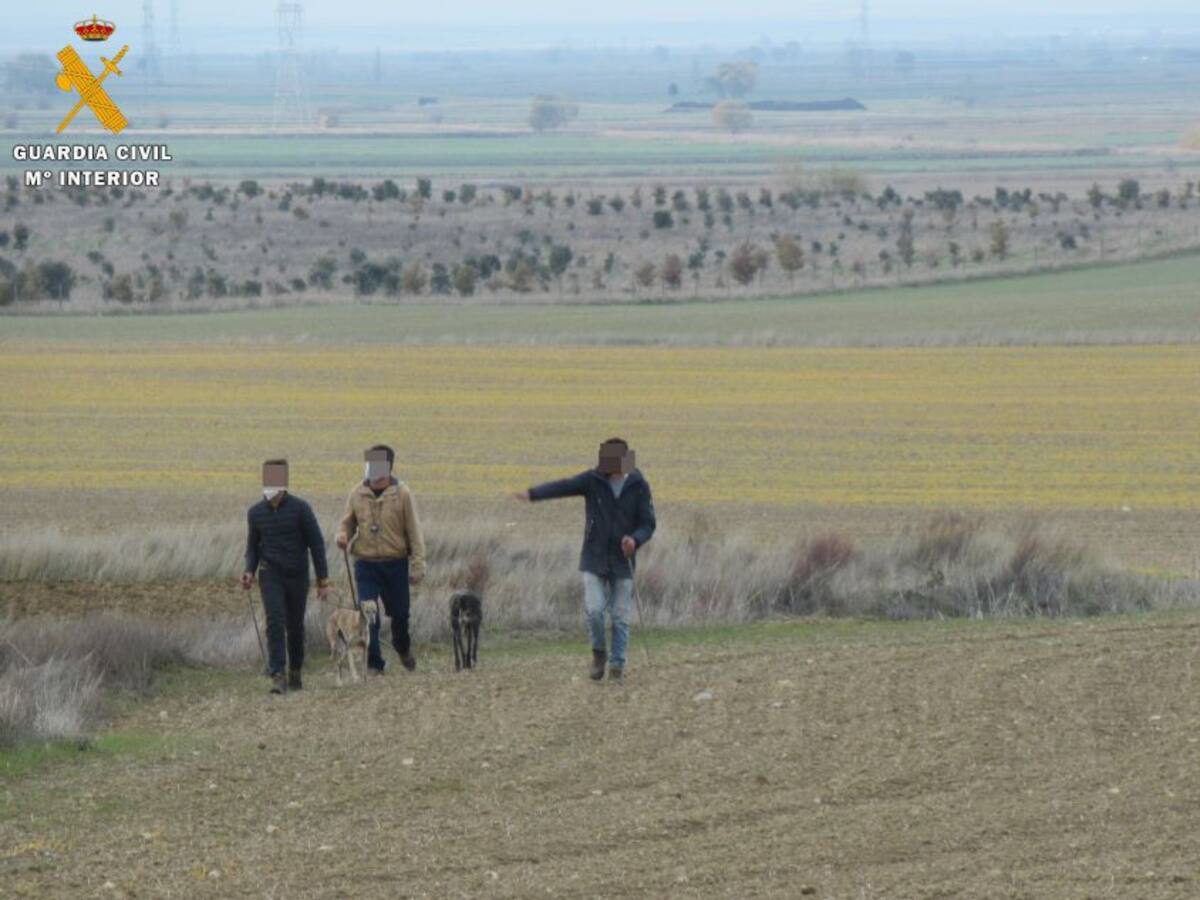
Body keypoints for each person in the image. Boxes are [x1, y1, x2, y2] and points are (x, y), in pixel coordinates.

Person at [514, 438, 656, 682]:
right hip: (594, 556)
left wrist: (635, 540)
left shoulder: (639, 485)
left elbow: (648, 523)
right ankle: (599, 653)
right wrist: (533, 494)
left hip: (623, 560)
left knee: (621, 617)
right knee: (594, 611)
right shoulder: (593, 480)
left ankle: (617, 668)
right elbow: (564, 486)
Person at [242, 459, 332, 694]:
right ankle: (277, 675)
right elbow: (252, 547)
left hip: (297, 576)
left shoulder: (301, 509)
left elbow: (316, 544)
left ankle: (295, 671)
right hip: (270, 574)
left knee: (295, 626)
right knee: (274, 622)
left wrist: (323, 580)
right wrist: (249, 571)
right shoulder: (255, 513)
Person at [335, 445, 426, 674]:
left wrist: (417, 565)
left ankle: (402, 647)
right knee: (368, 616)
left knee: (400, 614)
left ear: (388, 467)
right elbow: (347, 521)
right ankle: (375, 664)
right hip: (366, 564)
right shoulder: (357, 493)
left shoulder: (403, 494)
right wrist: (342, 534)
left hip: (395, 562)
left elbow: (414, 532)